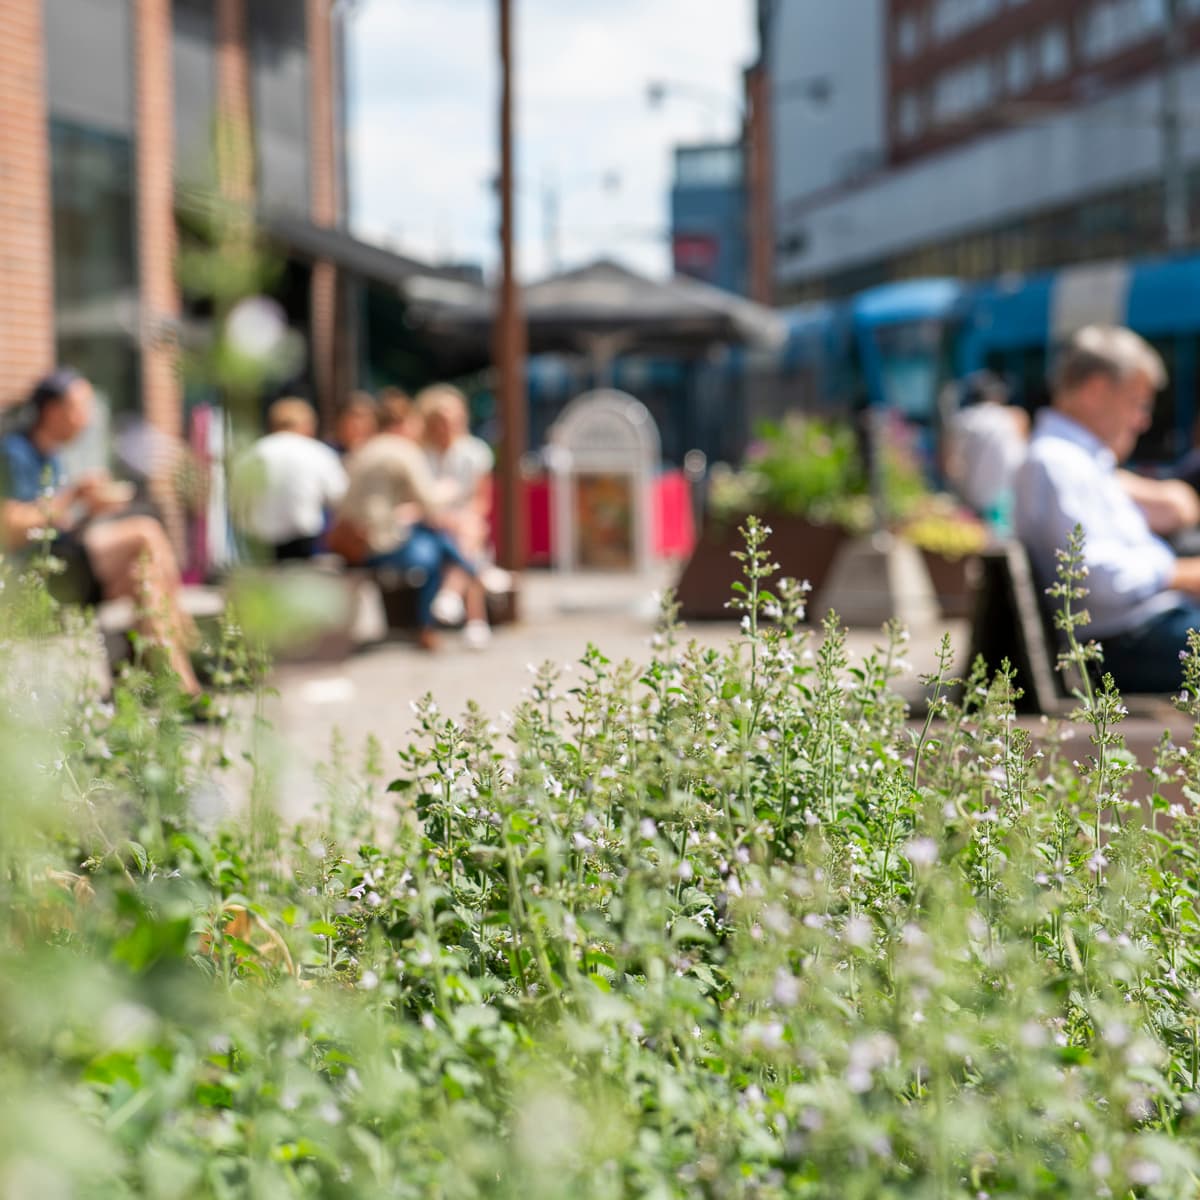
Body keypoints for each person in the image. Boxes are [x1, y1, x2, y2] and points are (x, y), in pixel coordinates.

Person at [1015, 325, 1200, 694]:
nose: (1143, 420)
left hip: (1142, 633)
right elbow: (1097, 579)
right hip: (1128, 642)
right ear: (1096, 391)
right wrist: (1178, 574)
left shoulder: (1076, 461)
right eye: (1138, 402)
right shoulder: (1057, 462)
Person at [0, 369, 205, 700]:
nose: (88, 418)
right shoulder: (13, 453)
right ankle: (188, 641)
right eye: (80, 407)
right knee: (144, 533)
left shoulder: (53, 454)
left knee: (145, 577)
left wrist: (89, 509)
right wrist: (74, 496)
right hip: (34, 576)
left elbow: (57, 522)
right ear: (52, 411)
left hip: (67, 564)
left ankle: (179, 686)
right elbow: (10, 529)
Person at [333, 392, 492, 651]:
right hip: (380, 542)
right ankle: (431, 624)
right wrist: (449, 489)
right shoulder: (403, 450)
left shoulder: (365, 449)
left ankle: (468, 579)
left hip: (355, 539)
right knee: (434, 552)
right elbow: (429, 501)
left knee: (440, 536)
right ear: (404, 422)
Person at [231, 397, 347, 561]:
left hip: (257, 540)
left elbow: (237, 499)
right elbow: (338, 496)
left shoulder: (251, 454)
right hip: (301, 539)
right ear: (307, 424)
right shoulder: (317, 452)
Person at [943, 370, 1029, 533]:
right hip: (1007, 498)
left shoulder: (963, 421)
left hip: (974, 498)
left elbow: (949, 465)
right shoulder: (1013, 416)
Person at [330, 392, 378, 459]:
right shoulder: (326, 454)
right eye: (353, 417)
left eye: (363, 417)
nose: (357, 425)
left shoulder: (381, 453)